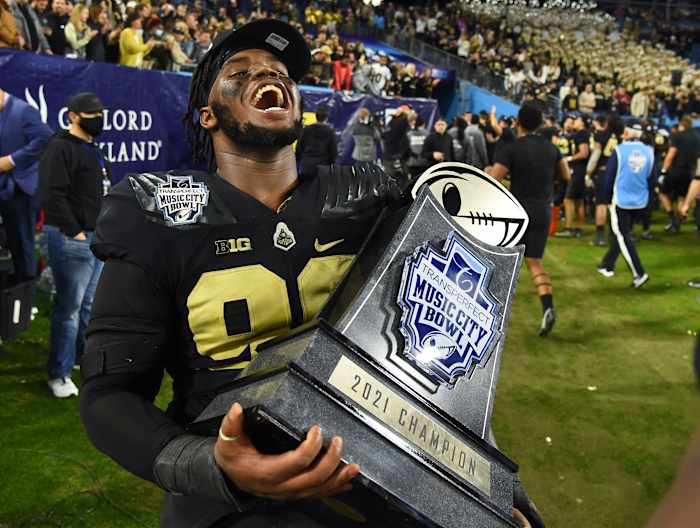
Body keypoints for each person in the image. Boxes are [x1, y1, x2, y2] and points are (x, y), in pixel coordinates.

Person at [38, 92, 111, 398]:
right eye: (92, 114)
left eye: (101, 113)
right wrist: (75, 233)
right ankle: (59, 373)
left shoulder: (92, 149)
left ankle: (81, 359)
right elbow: (51, 194)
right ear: (73, 116)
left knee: (89, 306)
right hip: (72, 239)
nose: (99, 119)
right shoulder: (60, 147)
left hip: (94, 238)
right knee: (68, 310)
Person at [489, 102, 570, 336]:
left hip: (516, 211)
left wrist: (488, 172)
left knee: (501, 260)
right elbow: (566, 174)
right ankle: (547, 307)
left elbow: (495, 178)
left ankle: (491, 313)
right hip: (543, 209)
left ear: (518, 122)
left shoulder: (512, 147)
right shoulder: (552, 148)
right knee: (534, 262)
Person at [0, 87, 53, 285]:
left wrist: (12, 160)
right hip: (5, 188)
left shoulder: (23, 111)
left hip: (21, 190)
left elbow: (46, 138)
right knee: (12, 242)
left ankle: (25, 296)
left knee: (23, 244)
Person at [597, 123, 655, 289]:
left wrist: (607, 198)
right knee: (622, 234)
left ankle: (639, 273)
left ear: (627, 133)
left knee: (623, 236)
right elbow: (652, 178)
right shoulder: (649, 151)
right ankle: (607, 264)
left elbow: (610, 177)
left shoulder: (620, 150)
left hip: (621, 200)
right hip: (640, 200)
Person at [660, 116, 700, 234]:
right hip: (692, 172)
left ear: (681, 125)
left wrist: (663, 171)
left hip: (676, 170)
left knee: (662, 192)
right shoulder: (697, 137)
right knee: (682, 196)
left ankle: (673, 219)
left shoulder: (678, 136)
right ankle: (679, 220)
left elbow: (670, 155)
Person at [586, 113, 621, 246]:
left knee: (601, 204)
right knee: (614, 204)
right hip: (617, 173)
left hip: (602, 172)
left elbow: (596, 154)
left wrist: (588, 172)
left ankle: (600, 236)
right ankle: (614, 233)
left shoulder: (599, 135)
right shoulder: (620, 137)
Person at [556, 114, 590, 238]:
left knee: (568, 199)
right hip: (581, 170)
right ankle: (579, 228)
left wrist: (568, 158)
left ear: (582, 123)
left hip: (577, 170)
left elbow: (584, 153)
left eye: (577, 120)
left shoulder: (581, 134)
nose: (575, 122)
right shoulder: (584, 133)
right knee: (579, 200)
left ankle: (569, 228)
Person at [296, 104, 337, 179]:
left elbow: (299, 147)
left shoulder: (307, 129)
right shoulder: (330, 132)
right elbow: (333, 152)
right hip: (323, 167)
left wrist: (298, 160)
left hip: (306, 165)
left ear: (316, 116)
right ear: (326, 118)